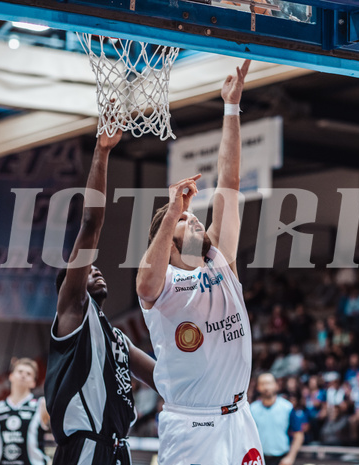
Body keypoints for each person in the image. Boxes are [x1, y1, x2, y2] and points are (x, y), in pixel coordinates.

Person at [136, 60, 264, 465]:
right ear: (170, 243)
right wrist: (173, 210)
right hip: (193, 427)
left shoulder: (220, 262)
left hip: (239, 418)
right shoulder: (164, 284)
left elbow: (229, 182)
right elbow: (143, 285)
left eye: (194, 217)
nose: (196, 220)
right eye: (186, 223)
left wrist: (231, 107)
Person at [44, 129, 156, 465]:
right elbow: (91, 223)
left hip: (119, 450)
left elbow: (163, 379)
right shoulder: (74, 316)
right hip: (85, 449)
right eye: (88, 270)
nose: (96, 270)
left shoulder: (118, 340)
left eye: (96, 268)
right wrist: (102, 151)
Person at [250, 373, 305, 465]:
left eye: (269, 383)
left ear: (276, 385)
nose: (266, 387)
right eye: (262, 384)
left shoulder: (287, 407)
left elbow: (298, 434)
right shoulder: (252, 409)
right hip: (259, 458)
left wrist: (290, 457)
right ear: (258, 387)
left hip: (282, 458)